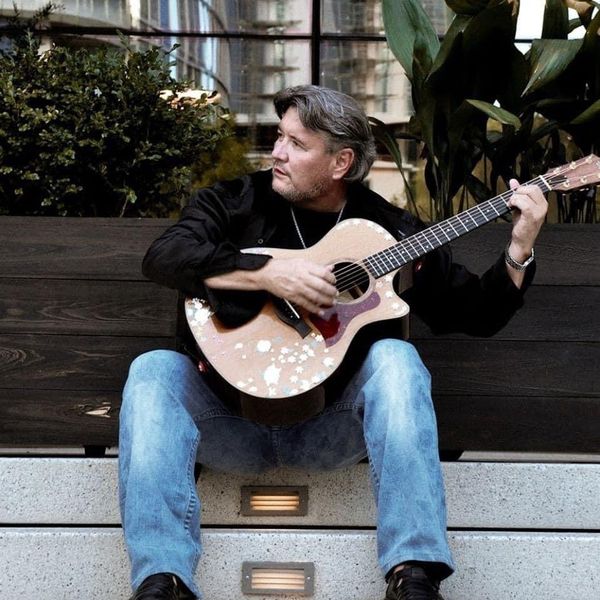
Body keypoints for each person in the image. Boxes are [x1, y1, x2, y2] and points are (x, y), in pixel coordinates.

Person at [119, 84, 548, 600]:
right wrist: (268, 273)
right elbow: (164, 256)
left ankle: (414, 576)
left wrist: (520, 245)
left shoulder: (388, 231)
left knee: (396, 357)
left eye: (297, 144)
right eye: (280, 137)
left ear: (341, 162)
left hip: (330, 429)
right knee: (153, 370)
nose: (278, 152)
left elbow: (476, 312)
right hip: (230, 423)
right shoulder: (237, 200)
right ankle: (161, 581)